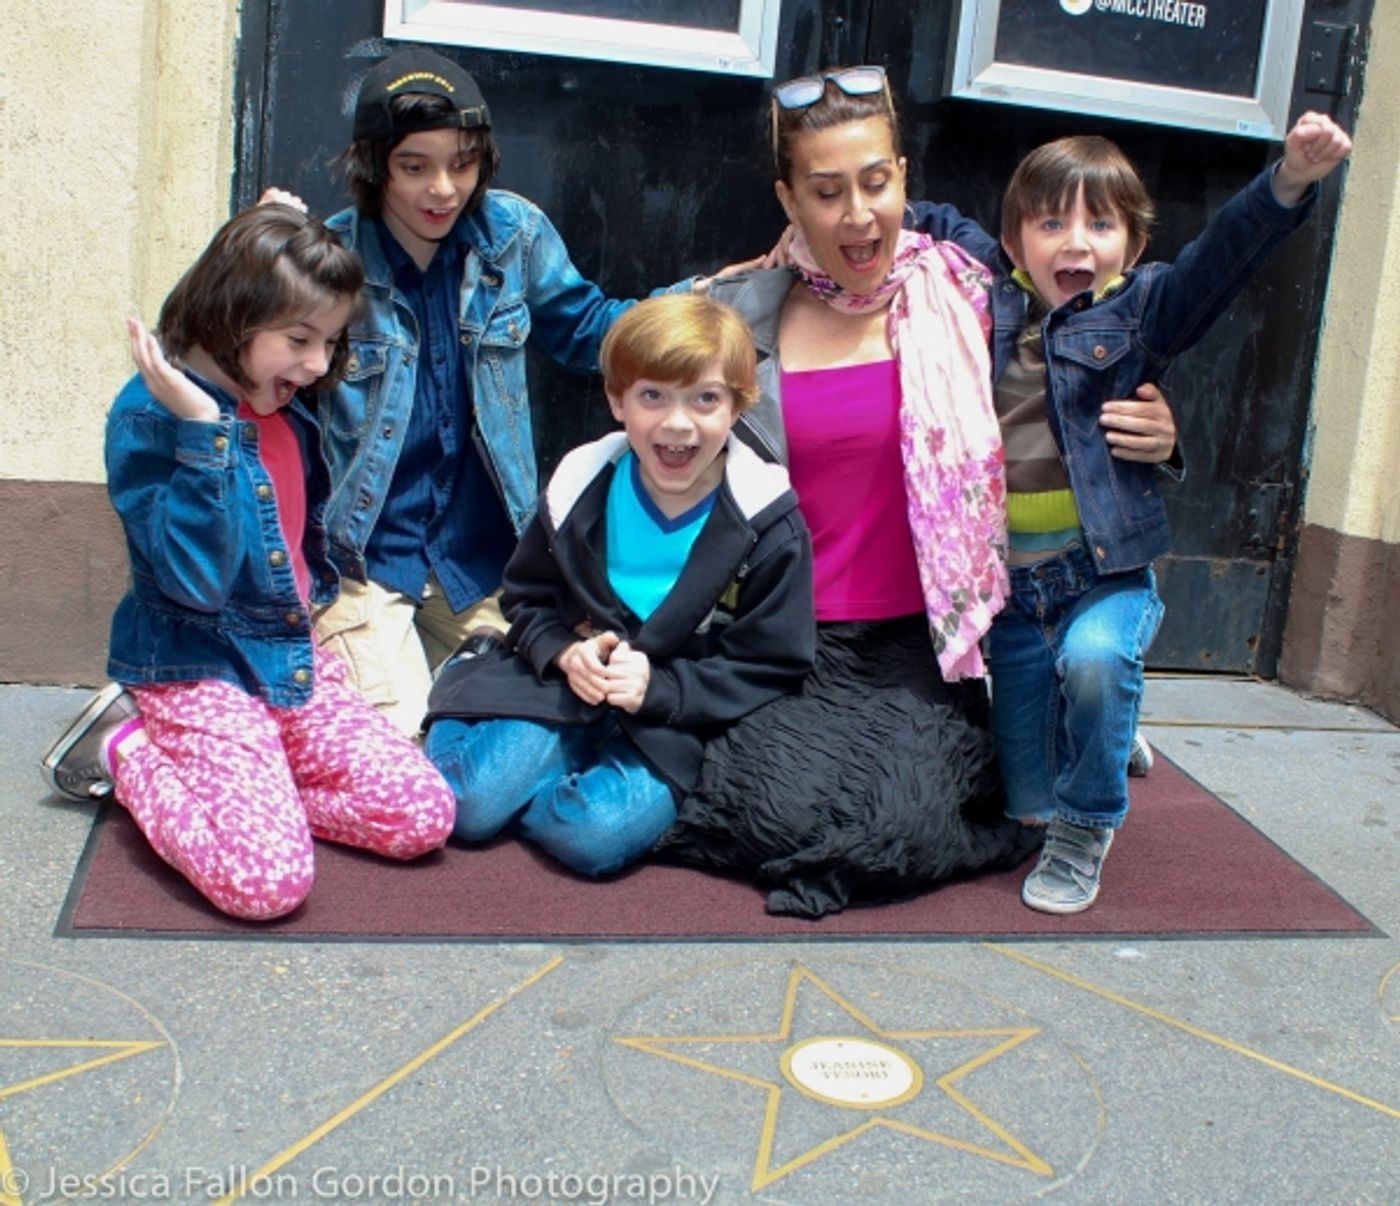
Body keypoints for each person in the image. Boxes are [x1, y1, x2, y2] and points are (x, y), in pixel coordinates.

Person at [903, 114, 1352, 913]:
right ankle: (1107, 730)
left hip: (1101, 573)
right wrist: (858, 205)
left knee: (1097, 661)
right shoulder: (985, 299)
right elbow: (934, 219)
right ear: (1013, 243)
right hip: (1012, 592)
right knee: (1026, 804)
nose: (1076, 242)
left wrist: (1288, 180)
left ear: (1134, 247)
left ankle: (1089, 822)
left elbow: (1221, 261)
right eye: (1051, 223)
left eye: (1100, 225)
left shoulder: (1141, 311)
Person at [652, 65, 1050, 918]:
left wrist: (1157, 432)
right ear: (788, 200)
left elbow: (1093, 373)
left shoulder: (972, 303)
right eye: (827, 193)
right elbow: (640, 393)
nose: (858, 215)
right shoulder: (742, 319)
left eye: (875, 183)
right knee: (771, 808)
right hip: (786, 635)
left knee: (900, 819)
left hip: (920, 646)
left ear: (904, 178)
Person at [39, 205, 456, 921]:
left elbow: (245, 285)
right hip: (198, 664)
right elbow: (195, 584)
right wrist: (205, 435)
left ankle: (259, 794)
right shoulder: (152, 417)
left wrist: (272, 226)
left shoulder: (275, 389)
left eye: (329, 340)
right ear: (234, 318)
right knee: (265, 885)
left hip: (289, 657)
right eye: (300, 340)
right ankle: (125, 748)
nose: (319, 364)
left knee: (423, 814)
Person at [310, 46, 694, 735]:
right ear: (373, 165)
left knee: (548, 728)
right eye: (415, 167)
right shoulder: (329, 259)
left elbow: (592, 332)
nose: (443, 189)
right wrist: (264, 251)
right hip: (368, 562)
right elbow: (259, 375)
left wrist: (716, 293)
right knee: (396, 750)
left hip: (484, 560)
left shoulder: (512, 234)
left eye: (461, 164)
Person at [422, 294, 814, 876]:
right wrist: (563, 651)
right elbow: (526, 598)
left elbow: (772, 663)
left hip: (671, 722)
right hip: (566, 688)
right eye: (652, 396)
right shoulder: (579, 486)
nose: (677, 423)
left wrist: (663, 690)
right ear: (616, 400)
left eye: (705, 398)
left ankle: (550, 773)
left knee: (594, 840)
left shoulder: (770, 524)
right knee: (468, 808)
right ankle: (466, 677)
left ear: (737, 405)